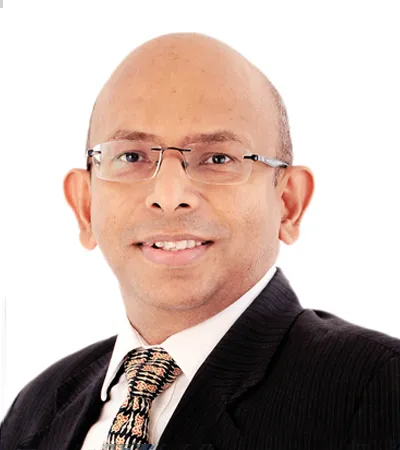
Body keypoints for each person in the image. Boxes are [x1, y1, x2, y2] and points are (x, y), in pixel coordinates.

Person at [1, 32, 399, 450]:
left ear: (288, 203)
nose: (169, 196)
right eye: (132, 156)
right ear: (85, 206)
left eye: (218, 158)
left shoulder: (379, 390)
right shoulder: (37, 409)